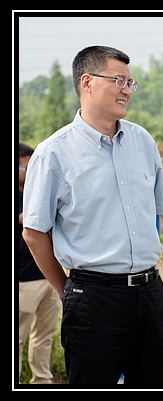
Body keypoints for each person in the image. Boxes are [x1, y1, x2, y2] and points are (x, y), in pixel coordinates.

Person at [22, 45, 163, 385]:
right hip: (93, 299)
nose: (127, 90)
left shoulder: (142, 141)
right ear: (87, 82)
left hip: (151, 293)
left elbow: (158, 210)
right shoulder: (53, 153)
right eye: (118, 80)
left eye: (130, 83)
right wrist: (66, 290)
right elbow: (33, 232)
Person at [18, 143, 61, 385]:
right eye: (25, 166)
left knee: (44, 336)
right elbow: (28, 220)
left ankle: (42, 381)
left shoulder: (39, 191)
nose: (30, 170)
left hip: (49, 275)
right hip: (22, 280)